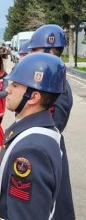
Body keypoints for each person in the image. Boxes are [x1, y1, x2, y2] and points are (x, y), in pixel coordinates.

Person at [0, 53, 66, 219]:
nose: (8, 89)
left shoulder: (31, 149)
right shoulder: (35, 130)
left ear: (33, 97)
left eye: (16, 85)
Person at [28, 24, 75, 220]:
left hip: (45, 154)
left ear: (49, 50)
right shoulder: (50, 79)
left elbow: (51, 127)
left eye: (34, 50)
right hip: (42, 150)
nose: (30, 54)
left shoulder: (58, 84)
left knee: (52, 208)